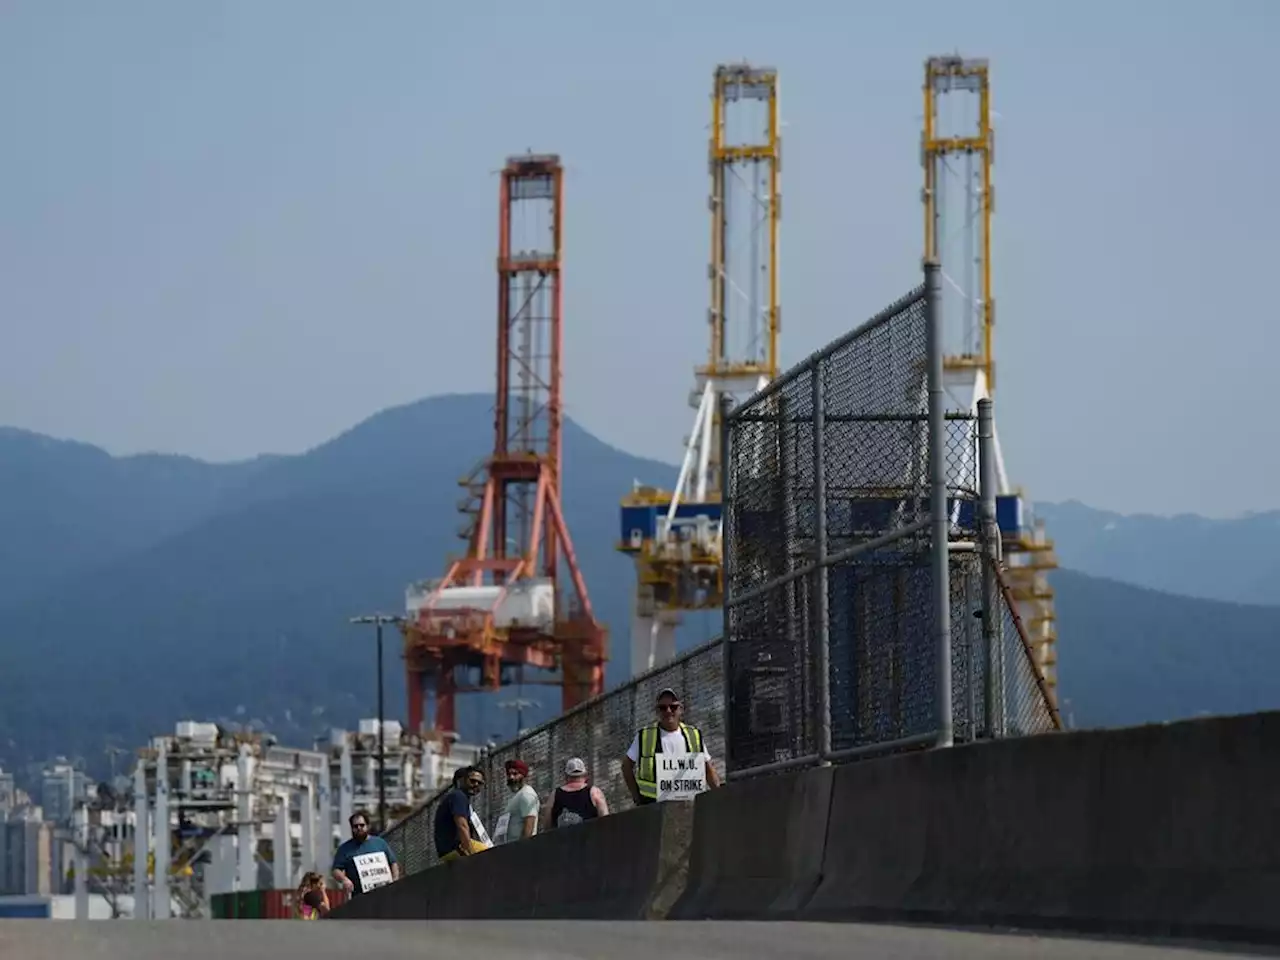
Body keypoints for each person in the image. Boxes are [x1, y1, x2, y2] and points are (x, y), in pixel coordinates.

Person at [622, 687, 721, 806]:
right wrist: (636, 797)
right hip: (653, 808)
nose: (668, 711)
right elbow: (626, 767)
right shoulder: (645, 736)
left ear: (681, 709)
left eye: (673, 707)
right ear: (657, 711)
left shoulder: (693, 735)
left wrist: (719, 798)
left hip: (688, 807)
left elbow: (708, 769)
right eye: (663, 708)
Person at [331, 811, 399, 897]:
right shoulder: (344, 849)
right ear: (351, 828)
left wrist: (395, 879)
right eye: (355, 826)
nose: (359, 828)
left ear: (368, 826)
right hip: (360, 897)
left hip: (384, 894)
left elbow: (393, 862)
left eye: (362, 825)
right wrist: (344, 880)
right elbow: (335, 870)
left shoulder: (380, 843)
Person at [434, 765, 491, 861]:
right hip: (456, 847)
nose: (476, 784)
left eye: (480, 783)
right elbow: (462, 825)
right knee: (492, 854)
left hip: (445, 851)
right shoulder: (459, 796)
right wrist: (470, 852)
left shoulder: (455, 797)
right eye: (472, 781)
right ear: (463, 780)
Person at [548, 756, 608, 829]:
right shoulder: (594, 792)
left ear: (566, 776)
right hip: (589, 838)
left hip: (562, 839)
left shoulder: (555, 794)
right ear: (585, 776)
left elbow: (547, 824)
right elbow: (605, 821)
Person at [495, 758, 539, 844]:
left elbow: (529, 825)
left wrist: (520, 849)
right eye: (509, 774)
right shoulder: (515, 796)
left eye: (515, 774)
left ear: (523, 775)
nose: (511, 777)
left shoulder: (527, 794)